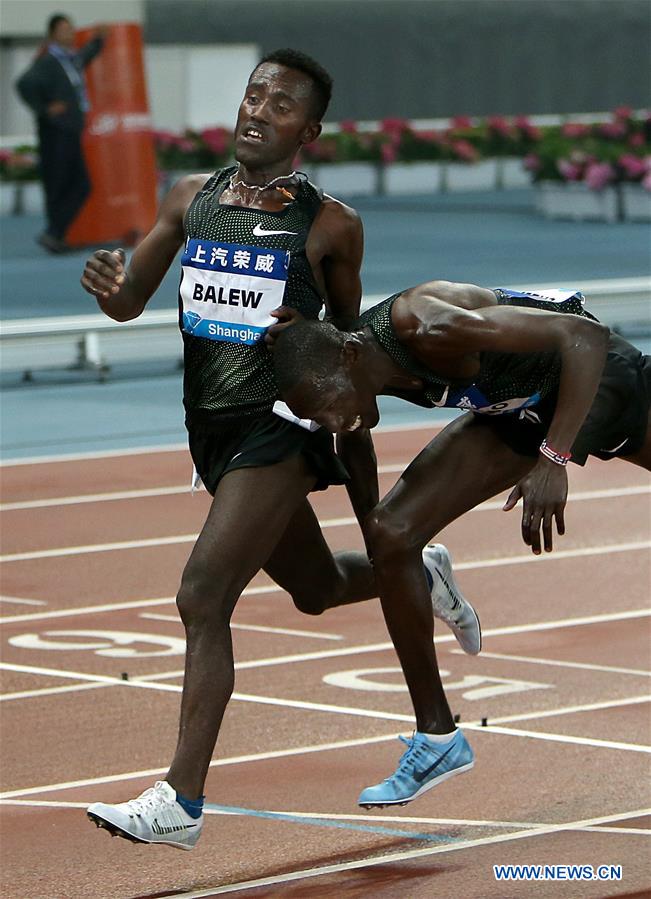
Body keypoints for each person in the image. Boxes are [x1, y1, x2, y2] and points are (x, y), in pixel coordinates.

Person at [79, 50, 479, 850]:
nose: (258, 109)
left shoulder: (329, 224)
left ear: (309, 129)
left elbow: (344, 348)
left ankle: (179, 802)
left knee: (202, 594)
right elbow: (131, 303)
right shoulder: (189, 199)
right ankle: (422, 569)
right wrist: (112, 285)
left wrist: (365, 485)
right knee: (317, 587)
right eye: (253, 94)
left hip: (282, 429)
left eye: (280, 103)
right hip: (212, 426)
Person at [273, 280, 650, 806]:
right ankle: (438, 738)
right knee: (392, 532)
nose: (333, 420)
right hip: (515, 409)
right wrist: (393, 560)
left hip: (594, 375)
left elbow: (583, 335)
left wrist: (554, 458)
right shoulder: (347, 371)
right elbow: (365, 481)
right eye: (321, 417)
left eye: (330, 406)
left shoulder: (431, 325)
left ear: (352, 357)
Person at [15, 13, 106, 253]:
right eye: (64, 29)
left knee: (78, 184)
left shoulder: (70, 59)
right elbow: (23, 84)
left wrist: (98, 42)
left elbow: (85, 57)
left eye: (71, 28)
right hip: (55, 133)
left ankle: (55, 233)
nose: (70, 32)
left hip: (70, 131)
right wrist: (45, 109)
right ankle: (54, 233)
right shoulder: (48, 62)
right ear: (53, 34)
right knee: (61, 184)